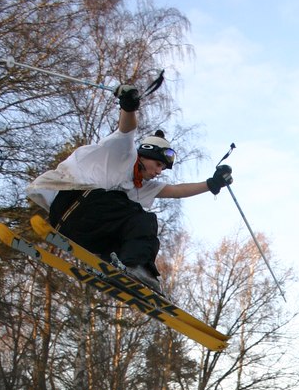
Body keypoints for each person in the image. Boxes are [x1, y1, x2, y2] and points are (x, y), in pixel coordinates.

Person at [25, 83, 233, 292]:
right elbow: (127, 128)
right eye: (158, 165)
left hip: (72, 228)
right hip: (76, 201)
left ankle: (118, 267)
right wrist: (129, 106)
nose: (158, 172)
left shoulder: (139, 186)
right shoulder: (124, 154)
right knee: (142, 219)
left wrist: (211, 184)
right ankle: (136, 267)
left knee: (126, 233)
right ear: (146, 155)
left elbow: (176, 191)